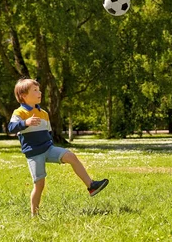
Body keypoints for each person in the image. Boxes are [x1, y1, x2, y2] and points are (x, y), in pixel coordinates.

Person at [8, 78, 109, 216]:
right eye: (35, 90)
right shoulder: (19, 113)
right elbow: (11, 127)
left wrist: (50, 144)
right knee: (39, 185)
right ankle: (34, 216)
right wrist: (26, 122)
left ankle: (91, 186)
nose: (40, 92)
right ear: (23, 96)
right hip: (34, 154)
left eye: (39, 89)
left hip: (48, 149)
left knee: (71, 156)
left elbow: (48, 132)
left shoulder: (44, 113)